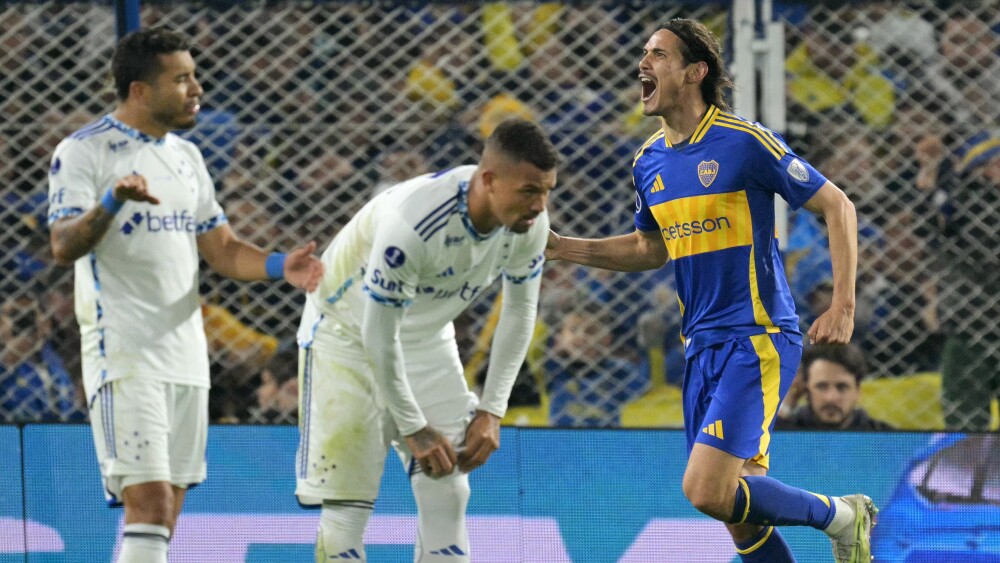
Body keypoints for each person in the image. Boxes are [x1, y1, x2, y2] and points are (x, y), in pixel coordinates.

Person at [545, 19, 875, 563]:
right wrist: (564, 247)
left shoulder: (744, 143)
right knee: (735, 515)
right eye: (643, 53)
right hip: (700, 347)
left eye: (658, 55)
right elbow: (650, 249)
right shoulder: (647, 161)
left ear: (695, 71)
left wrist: (843, 303)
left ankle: (843, 516)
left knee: (705, 491)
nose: (642, 64)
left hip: (757, 335)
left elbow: (837, 205)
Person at [46, 28, 323, 563]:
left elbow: (221, 249)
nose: (197, 87)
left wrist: (276, 266)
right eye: (182, 78)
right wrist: (112, 202)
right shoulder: (84, 151)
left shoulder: (187, 157)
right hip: (124, 353)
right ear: (140, 91)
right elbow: (63, 245)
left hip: (187, 358)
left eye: (194, 74)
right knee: (147, 506)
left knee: (165, 514)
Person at [296, 118, 557, 562]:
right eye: (530, 191)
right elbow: (377, 335)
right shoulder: (415, 226)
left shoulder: (527, 223)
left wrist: (492, 409)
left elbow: (518, 311)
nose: (540, 205)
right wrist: (414, 428)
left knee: (449, 486)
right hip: (345, 338)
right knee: (347, 506)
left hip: (424, 338)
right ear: (488, 180)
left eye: (548, 190)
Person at [937, 131, 1000, 430]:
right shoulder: (967, 200)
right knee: (966, 429)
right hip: (969, 325)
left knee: (965, 425)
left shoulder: (955, 201)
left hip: (968, 320)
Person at [0, 293, 81, 422]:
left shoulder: (58, 371)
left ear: (45, 323)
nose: (23, 325)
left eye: (29, 317)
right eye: (15, 316)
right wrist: (11, 357)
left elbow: (74, 419)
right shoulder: (4, 375)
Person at [776, 343, 894, 430]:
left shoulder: (885, 441)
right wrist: (786, 405)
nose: (831, 398)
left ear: (858, 392)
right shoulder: (785, 434)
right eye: (821, 386)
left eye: (842, 387)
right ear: (806, 390)